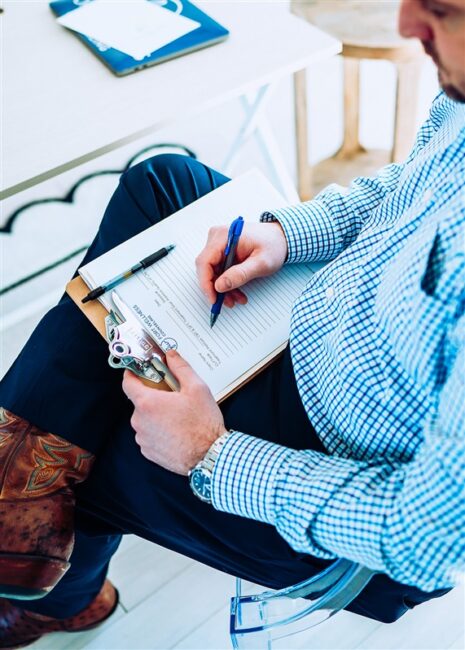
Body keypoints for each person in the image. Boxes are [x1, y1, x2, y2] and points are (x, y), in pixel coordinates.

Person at [1, 0, 464, 646]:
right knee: (161, 183)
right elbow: (407, 186)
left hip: (337, 471)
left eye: (442, 11)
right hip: (328, 325)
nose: (405, 26)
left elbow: (419, 539)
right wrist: (285, 233)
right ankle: (17, 484)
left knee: (99, 438)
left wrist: (209, 453)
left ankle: (54, 593)